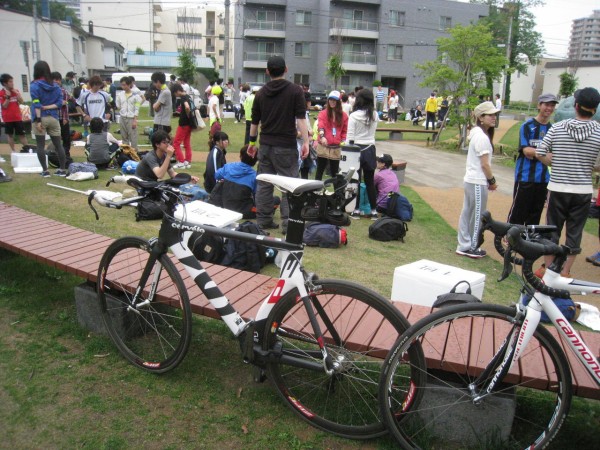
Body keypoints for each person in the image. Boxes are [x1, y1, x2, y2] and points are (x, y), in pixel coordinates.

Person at [536, 87, 600, 276]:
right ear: (594, 109)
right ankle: (565, 272)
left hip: (558, 187)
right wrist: (589, 166)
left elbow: (540, 152)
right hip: (582, 190)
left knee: (552, 230)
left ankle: (549, 270)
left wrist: (553, 161)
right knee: (574, 233)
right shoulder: (598, 132)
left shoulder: (558, 127)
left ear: (576, 105)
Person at [248, 55, 308, 233]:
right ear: (286, 69)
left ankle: (264, 219)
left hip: (265, 145)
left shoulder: (260, 93)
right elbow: (301, 120)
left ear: (267, 71)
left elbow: (254, 122)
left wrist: (251, 142)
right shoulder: (295, 91)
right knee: (289, 186)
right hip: (286, 146)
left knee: (264, 184)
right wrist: (306, 142)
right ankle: (288, 224)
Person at [507, 93, 558, 226]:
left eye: (552, 105)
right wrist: (543, 153)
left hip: (543, 179)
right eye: (546, 105)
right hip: (525, 176)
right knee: (519, 210)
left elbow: (553, 156)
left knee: (535, 213)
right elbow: (526, 150)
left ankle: (528, 241)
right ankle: (510, 236)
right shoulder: (527, 126)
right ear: (539, 105)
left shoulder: (553, 129)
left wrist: (536, 153)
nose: (549, 108)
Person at [456, 101, 499, 258]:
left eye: (495, 114)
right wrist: (492, 181)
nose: (494, 117)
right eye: (490, 115)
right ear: (481, 118)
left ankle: (464, 244)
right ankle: (471, 246)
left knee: (468, 212)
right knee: (477, 215)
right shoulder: (481, 137)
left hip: (471, 180)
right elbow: (485, 165)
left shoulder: (477, 134)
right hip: (477, 181)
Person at [30, 60, 67, 178]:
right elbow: (60, 103)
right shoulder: (55, 86)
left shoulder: (34, 85)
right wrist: (49, 107)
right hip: (54, 117)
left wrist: (39, 120)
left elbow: (36, 103)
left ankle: (45, 171)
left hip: (40, 117)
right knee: (58, 145)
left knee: (40, 145)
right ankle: (62, 169)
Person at [347, 88, 379, 220]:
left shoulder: (354, 116)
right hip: (370, 149)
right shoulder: (375, 115)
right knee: (370, 181)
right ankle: (374, 211)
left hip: (356, 150)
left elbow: (350, 137)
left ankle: (356, 210)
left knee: (356, 181)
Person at [212, 145, 259, 218]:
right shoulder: (255, 176)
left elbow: (217, 175)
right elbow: (258, 196)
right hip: (243, 212)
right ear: (256, 160)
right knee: (275, 200)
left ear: (240, 156)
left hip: (224, 207)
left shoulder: (229, 166)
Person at [315, 90, 347, 180]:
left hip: (336, 147)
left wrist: (343, 140)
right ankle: (316, 191)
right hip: (323, 145)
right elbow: (320, 126)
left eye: (335, 100)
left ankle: (337, 192)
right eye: (331, 100)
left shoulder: (344, 116)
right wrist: (322, 136)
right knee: (320, 170)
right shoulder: (323, 113)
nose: (332, 102)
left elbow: (345, 130)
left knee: (335, 172)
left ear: (338, 101)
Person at [0, 73, 28, 152]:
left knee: (22, 134)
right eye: (10, 82)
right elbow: (4, 106)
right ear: (5, 83)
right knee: (10, 135)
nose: (12, 83)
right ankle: (13, 151)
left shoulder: (15, 91)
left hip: (17, 117)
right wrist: (8, 97)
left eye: (12, 81)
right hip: (8, 118)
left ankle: (27, 149)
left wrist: (17, 94)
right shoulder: (1, 93)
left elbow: (21, 101)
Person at [50, 72, 74, 161]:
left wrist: (65, 118)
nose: (57, 82)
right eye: (55, 80)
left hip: (63, 118)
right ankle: (57, 154)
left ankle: (66, 154)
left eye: (58, 80)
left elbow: (69, 101)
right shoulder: (50, 91)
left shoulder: (63, 91)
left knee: (66, 138)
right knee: (56, 137)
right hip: (54, 117)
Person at [171, 83, 193, 169]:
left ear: (177, 91)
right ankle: (187, 161)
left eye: (174, 93)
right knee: (186, 143)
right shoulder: (188, 96)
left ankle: (181, 161)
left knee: (176, 143)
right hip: (189, 124)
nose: (175, 95)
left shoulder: (183, 97)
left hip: (183, 124)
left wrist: (187, 115)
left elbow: (187, 107)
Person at [116, 76, 141, 151]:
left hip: (131, 118)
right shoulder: (120, 95)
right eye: (122, 85)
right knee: (124, 136)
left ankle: (134, 153)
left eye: (124, 85)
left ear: (129, 84)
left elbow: (137, 108)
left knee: (133, 137)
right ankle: (126, 153)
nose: (123, 87)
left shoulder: (135, 95)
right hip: (122, 117)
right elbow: (118, 105)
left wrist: (135, 119)